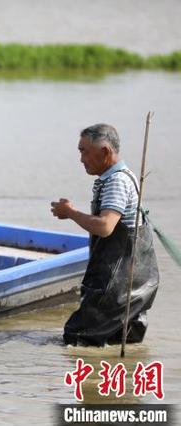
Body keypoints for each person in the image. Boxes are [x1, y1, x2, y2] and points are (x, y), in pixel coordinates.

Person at [51, 123, 159, 346]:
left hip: (117, 282)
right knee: (123, 341)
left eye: (84, 151)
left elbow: (105, 226)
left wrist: (71, 212)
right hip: (135, 281)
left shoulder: (117, 181)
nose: (81, 159)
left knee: (77, 337)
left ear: (105, 152)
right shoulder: (120, 176)